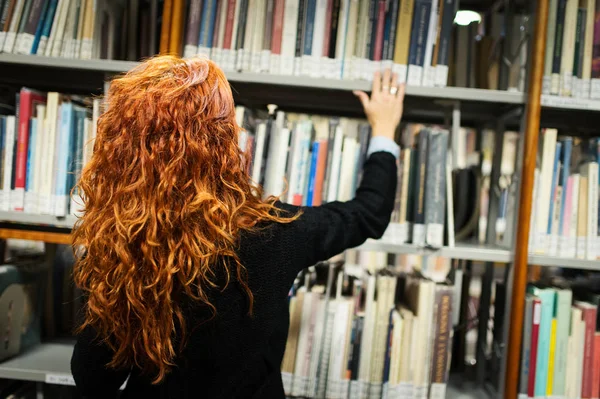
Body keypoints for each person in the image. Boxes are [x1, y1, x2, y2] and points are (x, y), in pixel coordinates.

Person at [70, 55, 405, 399]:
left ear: (122, 146)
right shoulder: (276, 232)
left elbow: (93, 378)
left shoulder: (120, 246)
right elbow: (369, 213)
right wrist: (383, 131)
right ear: (224, 141)